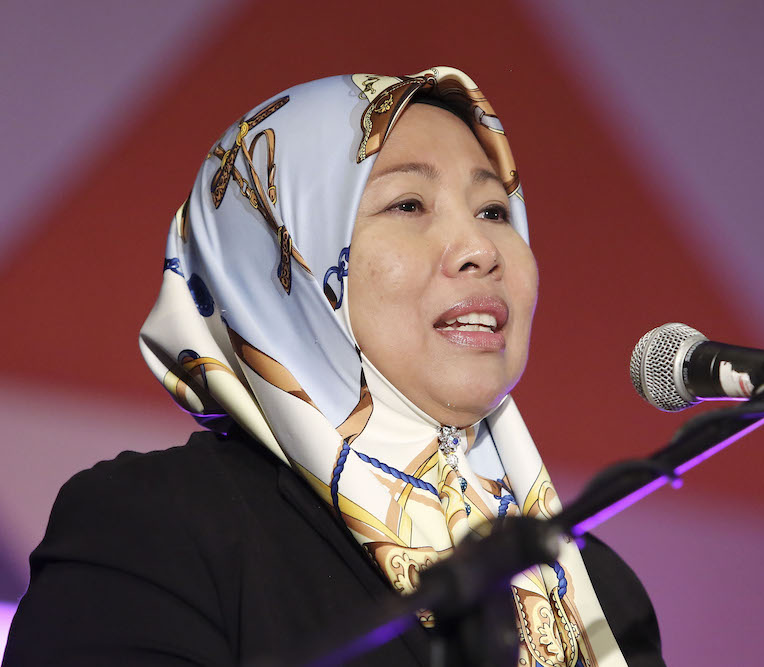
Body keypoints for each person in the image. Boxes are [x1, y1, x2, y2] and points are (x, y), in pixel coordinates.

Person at [3, 67, 664, 666]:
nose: (480, 248)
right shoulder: (162, 525)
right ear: (279, 259)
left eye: (494, 210)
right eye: (409, 204)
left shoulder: (601, 592)